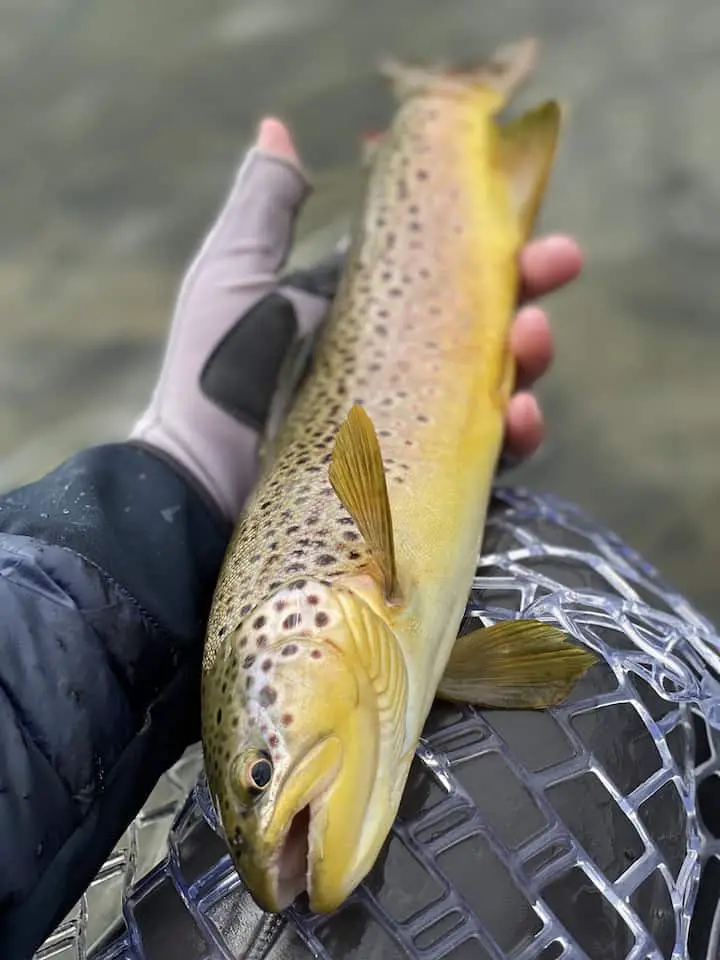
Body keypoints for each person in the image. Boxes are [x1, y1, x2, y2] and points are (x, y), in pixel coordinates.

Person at [0, 117, 583, 960]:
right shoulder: (358, 659)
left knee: (464, 219)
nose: (275, 867)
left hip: (393, 376)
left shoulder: (353, 590)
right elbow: (548, 665)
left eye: (261, 776)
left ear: (301, 625)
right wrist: (178, 478)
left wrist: (185, 464)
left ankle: (438, 131)